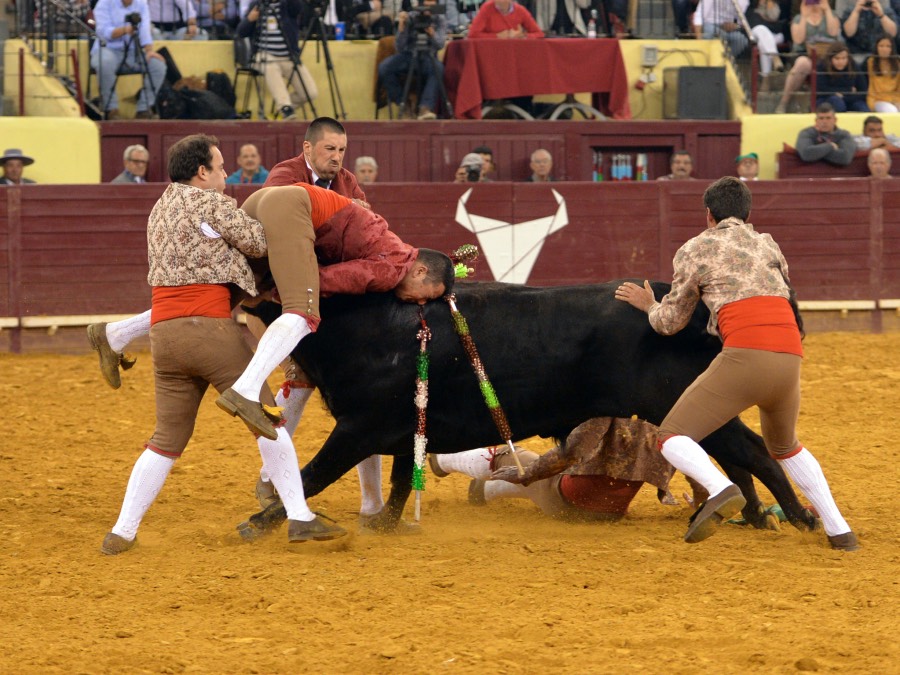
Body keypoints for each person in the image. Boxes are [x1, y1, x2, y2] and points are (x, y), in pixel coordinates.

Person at [100, 133, 346, 555]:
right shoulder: (210, 203)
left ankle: (122, 531)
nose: (225, 173)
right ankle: (301, 517)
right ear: (201, 172)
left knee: (166, 439)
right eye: (219, 166)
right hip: (209, 331)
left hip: (164, 335)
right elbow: (259, 241)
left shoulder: (159, 207)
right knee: (266, 417)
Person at [614, 176, 858, 551]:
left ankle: (721, 488)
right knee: (786, 446)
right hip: (790, 354)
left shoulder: (696, 248)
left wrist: (648, 304)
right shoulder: (767, 243)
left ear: (708, 215)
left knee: (670, 436)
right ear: (748, 213)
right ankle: (840, 530)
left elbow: (670, 322)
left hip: (745, 354)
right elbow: (785, 292)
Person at [215, 184, 456, 439]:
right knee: (303, 312)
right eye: (426, 295)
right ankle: (245, 389)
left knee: (223, 300)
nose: (420, 302)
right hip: (294, 211)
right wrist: (275, 293)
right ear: (421, 271)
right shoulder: (393, 269)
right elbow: (329, 279)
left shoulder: (391, 245)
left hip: (262, 201)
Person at [430, 417, 682, 522]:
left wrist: (525, 474)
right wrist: (704, 497)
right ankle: (485, 491)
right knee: (543, 477)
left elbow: (569, 453)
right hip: (612, 514)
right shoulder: (667, 415)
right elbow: (691, 454)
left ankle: (440, 461)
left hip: (567, 505)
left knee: (514, 457)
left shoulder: (607, 410)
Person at [236, 0, 318, 121]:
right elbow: (241, 32)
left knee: (310, 93)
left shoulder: (288, 5)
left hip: (288, 57)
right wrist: (249, 20)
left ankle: (278, 113)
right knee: (270, 66)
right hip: (263, 55)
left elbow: (298, 8)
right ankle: (285, 108)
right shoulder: (257, 5)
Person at [90, 0, 168, 120]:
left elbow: (145, 28)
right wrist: (126, 30)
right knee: (104, 63)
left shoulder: (141, 3)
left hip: (134, 52)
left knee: (157, 65)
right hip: (108, 49)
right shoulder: (104, 3)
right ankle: (111, 110)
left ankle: (143, 110)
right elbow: (103, 32)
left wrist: (149, 51)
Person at [265, 117, 367, 201]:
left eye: (341, 150)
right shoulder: (284, 174)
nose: (337, 157)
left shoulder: (348, 181)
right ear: (307, 148)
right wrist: (348, 206)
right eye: (330, 149)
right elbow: (285, 212)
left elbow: (367, 221)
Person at [377, 0, 448, 120]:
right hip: (408, 55)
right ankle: (403, 104)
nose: (427, 9)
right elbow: (399, 47)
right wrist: (401, 29)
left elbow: (440, 44)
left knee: (438, 69)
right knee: (384, 67)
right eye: (425, 5)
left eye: (431, 5)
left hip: (428, 56)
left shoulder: (439, 19)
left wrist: (432, 34)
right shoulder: (411, 17)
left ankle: (425, 107)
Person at [774, 0, 840, 115]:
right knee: (803, 63)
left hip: (828, 55)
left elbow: (833, 33)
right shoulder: (798, 18)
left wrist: (827, 9)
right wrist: (804, 16)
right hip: (804, 54)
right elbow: (798, 39)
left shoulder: (832, 15)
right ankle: (784, 102)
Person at [795, 101, 855, 165]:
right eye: (821, 118)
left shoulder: (844, 135)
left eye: (828, 118)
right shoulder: (806, 133)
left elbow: (845, 158)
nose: (824, 122)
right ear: (816, 121)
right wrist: (830, 146)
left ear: (835, 120)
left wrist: (816, 152)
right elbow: (806, 154)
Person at [815, 41, 869, 112]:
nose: (840, 62)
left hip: (850, 98)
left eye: (844, 58)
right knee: (837, 102)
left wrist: (842, 95)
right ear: (830, 59)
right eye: (837, 58)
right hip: (826, 99)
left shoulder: (853, 66)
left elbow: (863, 90)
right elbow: (822, 89)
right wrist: (849, 90)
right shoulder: (822, 66)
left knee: (863, 108)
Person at [747, 0, 789, 77]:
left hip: (775, 35)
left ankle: (766, 80)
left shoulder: (774, 5)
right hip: (756, 33)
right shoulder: (751, 7)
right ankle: (775, 57)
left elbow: (774, 17)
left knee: (763, 44)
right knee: (761, 29)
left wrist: (769, 4)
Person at [466, 0, 543, 38]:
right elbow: (472, 35)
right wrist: (496, 36)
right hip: (491, 52)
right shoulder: (487, 8)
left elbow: (539, 34)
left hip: (514, 52)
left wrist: (523, 36)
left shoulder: (520, 10)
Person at [866, 37, 900, 113]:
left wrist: (897, 101)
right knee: (892, 111)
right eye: (881, 46)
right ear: (876, 47)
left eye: (888, 46)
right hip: (877, 100)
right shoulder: (870, 62)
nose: (884, 49)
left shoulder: (898, 63)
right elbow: (871, 87)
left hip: (895, 99)